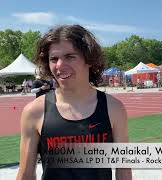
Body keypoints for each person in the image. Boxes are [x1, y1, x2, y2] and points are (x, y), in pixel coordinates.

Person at [17, 25, 132, 180]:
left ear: (89, 59)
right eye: (54, 59)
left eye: (70, 56)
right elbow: (26, 174)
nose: (59, 65)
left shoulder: (114, 108)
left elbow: (123, 171)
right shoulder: (34, 112)